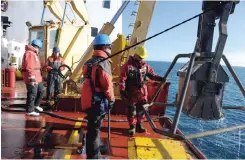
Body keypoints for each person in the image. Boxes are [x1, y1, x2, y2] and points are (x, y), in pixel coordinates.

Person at [81, 34, 115, 159]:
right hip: (97, 101)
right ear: (105, 47)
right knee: (94, 129)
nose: (111, 50)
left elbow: (89, 78)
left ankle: (95, 147)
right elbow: (107, 85)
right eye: (110, 47)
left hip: (87, 99)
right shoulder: (104, 63)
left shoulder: (88, 62)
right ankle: (94, 156)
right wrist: (111, 99)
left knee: (93, 126)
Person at [119, 46, 166, 135]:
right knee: (131, 111)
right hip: (132, 93)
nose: (141, 59)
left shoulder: (145, 66)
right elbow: (122, 79)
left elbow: (152, 75)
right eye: (140, 57)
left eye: (142, 57)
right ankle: (132, 127)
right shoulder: (127, 66)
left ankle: (139, 125)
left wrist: (160, 78)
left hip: (142, 93)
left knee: (142, 110)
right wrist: (122, 91)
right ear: (136, 55)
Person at [21, 39, 44, 116]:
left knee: (41, 90)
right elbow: (29, 67)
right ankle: (30, 110)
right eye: (39, 49)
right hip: (32, 78)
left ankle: (36, 105)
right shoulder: (30, 53)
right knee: (32, 93)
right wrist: (32, 79)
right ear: (36, 47)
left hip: (37, 78)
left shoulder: (33, 54)